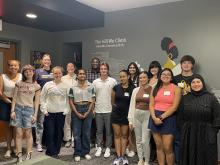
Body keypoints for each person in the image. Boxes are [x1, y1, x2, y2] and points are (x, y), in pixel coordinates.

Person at [177, 75, 220, 165]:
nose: (196, 84)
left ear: (202, 83)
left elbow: (217, 117)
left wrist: (213, 132)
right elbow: (180, 117)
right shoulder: (185, 98)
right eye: (193, 82)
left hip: (206, 133)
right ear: (190, 85)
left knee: (206, 157)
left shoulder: (211, 98)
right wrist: (183, 130)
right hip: (189, 134)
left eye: (198, 82)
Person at [148, 68, 181, 165]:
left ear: (171, 77)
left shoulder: (176, 88)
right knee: (159, 146)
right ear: (160, 76)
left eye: (168, 74)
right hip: (154, 117)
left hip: (168, 118)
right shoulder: (155, 88)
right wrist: (154, 117)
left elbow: (174, 107)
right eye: (163, 74)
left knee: (168, 148)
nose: (165, 76)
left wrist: (161, 117)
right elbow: (151, 105)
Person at [10, 65, 41, 163]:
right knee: (18, 133)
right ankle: (19, 155)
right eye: (26, 71)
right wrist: (12, 110)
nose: (28, 73)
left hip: (29, 110)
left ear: (33, 72)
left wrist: (35, 115)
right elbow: (14, 98)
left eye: (30, 71)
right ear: (23, 73)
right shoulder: (18, 83)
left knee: (28, 133)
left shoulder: (37, 86)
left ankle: (29, 154)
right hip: (18, 109)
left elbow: (37, 102)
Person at [40, 66, 69, 158]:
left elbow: (68, 99)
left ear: (62, 74)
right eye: (55, 73)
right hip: (49, 113)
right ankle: (52, 151)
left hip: (61, 113)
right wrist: (44, 110)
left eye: (59, 73)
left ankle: (55, 151)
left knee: (59, 132)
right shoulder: (47, 85)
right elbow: (42, 98)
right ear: (53, 74)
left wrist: (66, 110)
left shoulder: (66, 86)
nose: (57, 75)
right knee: (50, 132)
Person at [69, 69, 95, 162]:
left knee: (86, 133)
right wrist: (76, 112)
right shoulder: (73, 87)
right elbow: (71, 102)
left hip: (88, 108)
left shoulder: (91, 86)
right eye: (80, 74)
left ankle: (86, 152)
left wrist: (88, 112)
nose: (82, 75)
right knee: (76, 134)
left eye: (84, 73)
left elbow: (93, 100)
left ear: (86, 75)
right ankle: (77, 153)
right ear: (77, 75)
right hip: (77, 109)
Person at [174, 55, 196, 163]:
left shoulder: (197, 78)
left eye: (189, 62)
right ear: (181, 65)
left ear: (192, 65)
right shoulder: (175, 78)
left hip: (193, 114)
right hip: (178, 114)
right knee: (178, 140)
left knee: (192, 141)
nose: (186, 65)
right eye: (184, 63)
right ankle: (179, 161)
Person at [93, 62, 117, 158]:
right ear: (100, 70)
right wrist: (93, 109)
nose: (103, 70)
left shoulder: (113, 81)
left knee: (108, 131)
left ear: (107, 70)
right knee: (99, 130)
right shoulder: (95, 82)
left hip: (109, 110)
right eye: (102, 69)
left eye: (105, 69)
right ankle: (99, 147)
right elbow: (93, 97)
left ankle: (108, 147)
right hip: (98, 110)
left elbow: (115, 96)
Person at [128, 71, 152, 165]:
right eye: (140, 78)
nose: (142, 79)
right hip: (136, 116)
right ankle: (140, 159)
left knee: (145, 140)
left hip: (147, 116)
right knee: (138, 140)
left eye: (144, 77)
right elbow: (131, 105)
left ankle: (146, 161)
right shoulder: (135, 90)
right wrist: (130, 120)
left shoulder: (153, 89)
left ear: (148, 78)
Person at [111, 70, 135, 165]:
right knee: (117, 135)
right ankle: (118, 156)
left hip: (126, 116)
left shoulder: (133, 89)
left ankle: (123, 155)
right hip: (116, 115)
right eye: (120, 77)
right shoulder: (116, 88)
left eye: (124, 76)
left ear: (128, 76)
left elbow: (133, 104)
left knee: (124, 136)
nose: (122, 78)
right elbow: (112, 102)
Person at [0, 60, 22, 158]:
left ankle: (16, 148)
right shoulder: (2, 76)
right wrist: (9, 101)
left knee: (17, 127)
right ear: (8, 67)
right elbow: (0, 92)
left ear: (18, 66)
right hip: (5, 102)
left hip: (19, 103)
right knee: (8, 127)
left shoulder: (22, 76)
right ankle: (8, 149)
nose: (13, 67)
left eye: (15, 65)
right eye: (11, 65)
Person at [35, 53, 54, 152]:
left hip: (52, 101)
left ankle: (48, 142)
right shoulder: (37, 72)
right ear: (42, 61)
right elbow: (34, 85)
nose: (47, 61)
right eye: (45, 60)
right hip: (41, 101)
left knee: (50, 123)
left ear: (51, 61)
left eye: (48, 60)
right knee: (40, 123)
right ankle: (39, 143)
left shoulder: (54, 72)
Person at [148, 61, 162, 162]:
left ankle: (158, 155)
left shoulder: (161, 79)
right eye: (151, 67)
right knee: (149, 133)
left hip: (156, 108)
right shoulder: (148, 79)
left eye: (155, 67)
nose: (153, 69)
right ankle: (151, 153)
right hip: (146, 107)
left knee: (157, 133)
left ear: (159, 68)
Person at [126, 62, 140, 157]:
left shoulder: (139, 78)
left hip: (137, 105)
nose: (132, 69)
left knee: (135, 129)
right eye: (130, 67)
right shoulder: (126, 78)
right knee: (128, 129)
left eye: (133, 67)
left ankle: (135, 148)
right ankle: (129, 147)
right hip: (127, 104)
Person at [61, 63, 77, 148]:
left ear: (74, 68)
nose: (70, 68)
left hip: (76, 102)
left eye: (72, 66)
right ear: (66, 69)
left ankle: (74, 139)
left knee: (75, 121)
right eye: (68, 67)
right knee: (66, 122)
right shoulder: (63, 78)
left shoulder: (78, 77)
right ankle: (68, 139)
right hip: (66, 102)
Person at [86, 57, 100, 147]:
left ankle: (97, 141)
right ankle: (90, 140)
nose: (95, 63)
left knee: (98, 122)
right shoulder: (86, 73)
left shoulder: (102, 73)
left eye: (97, 62)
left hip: (99, 100)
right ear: (91, 63)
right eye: (93, 62)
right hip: (88, 100)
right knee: (90, 121)